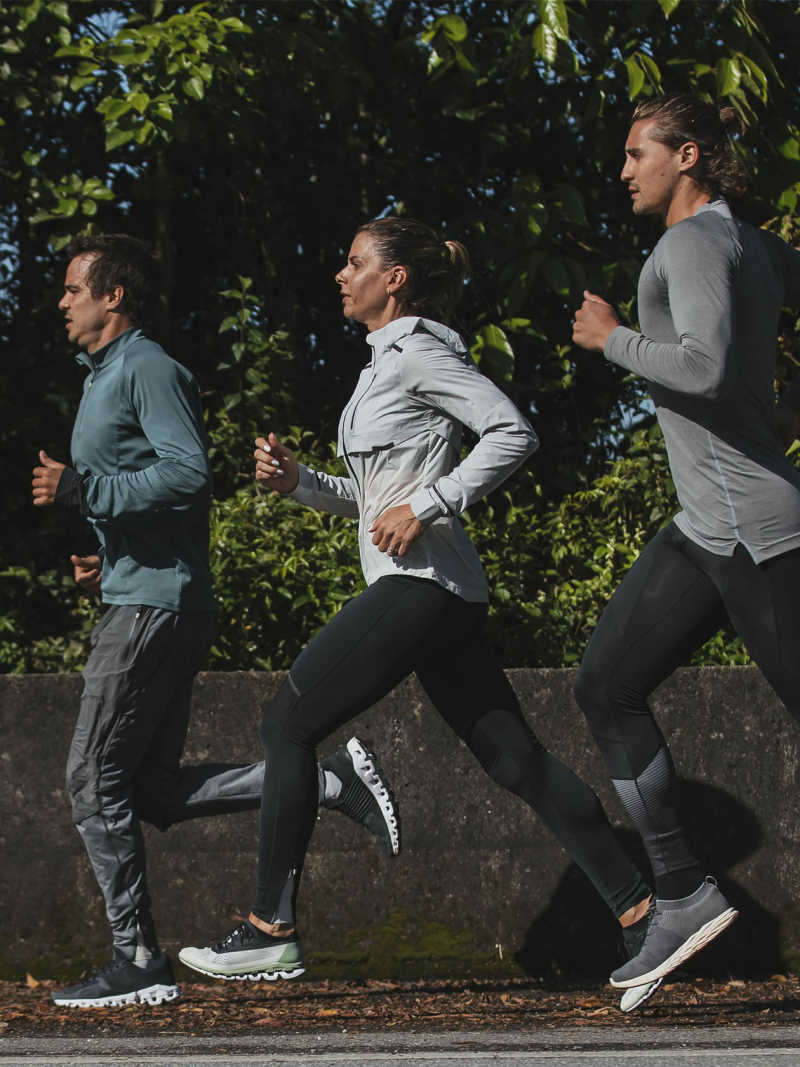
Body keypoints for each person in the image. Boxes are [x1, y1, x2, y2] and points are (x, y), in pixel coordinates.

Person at [178, 216, 655, 995]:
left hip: (420, 588)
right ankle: (642, 912)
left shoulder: (420, 354)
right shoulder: (381, 365)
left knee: (288, 724)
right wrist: (298, 481)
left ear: (394, 278)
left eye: (355, 261)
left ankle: (269, 929)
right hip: (440, 592)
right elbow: (374, 502)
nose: (340, 273)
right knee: (516, 760)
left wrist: (432, 503)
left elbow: (512, 432)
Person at [32, 233, 399, 1009]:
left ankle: (136, 959)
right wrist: (107, 554)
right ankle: (324, 781)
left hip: (152, 609)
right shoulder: (104, 377)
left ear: (112, 296)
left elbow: (187, 472)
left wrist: (84, 492)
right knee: (151, 790)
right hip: (144, 592)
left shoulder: (146, 367)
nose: (62, 302)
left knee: (92, 782)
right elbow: (152, 490)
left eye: (72, 289)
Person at [571, 93, 800, 994]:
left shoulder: (693, 242)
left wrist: (610, 337)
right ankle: (681, 893)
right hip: (707, 526)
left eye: (638, 153)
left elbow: (703, 365)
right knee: (606, 683)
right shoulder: (748, 242)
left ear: (688, 155)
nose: (625, 169)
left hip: (754, 531)